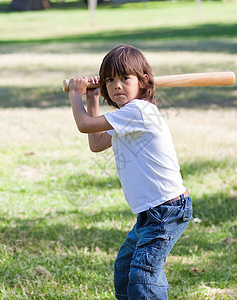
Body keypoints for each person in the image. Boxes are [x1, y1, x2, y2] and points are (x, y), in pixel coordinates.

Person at [68, 44, 193, 300]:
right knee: (125, 270)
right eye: (110, 80)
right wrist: (92, 100)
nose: (117, 86)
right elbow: (96, 143)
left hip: (166, 209)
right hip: (150, 212)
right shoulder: (127, 116)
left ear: (143, 81)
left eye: (125, 78)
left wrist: (75, 95)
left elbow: (85, 126)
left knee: (143, 278)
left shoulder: (139, 111)